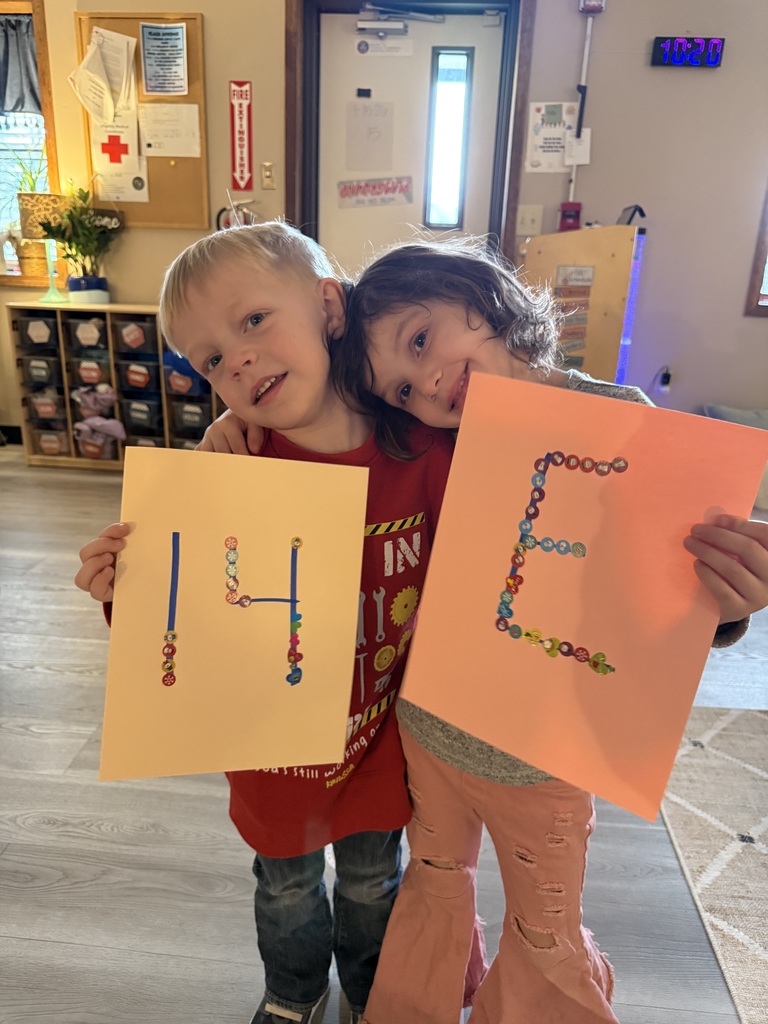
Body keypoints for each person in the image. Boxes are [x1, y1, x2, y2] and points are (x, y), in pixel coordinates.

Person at [201, 236, 768, 1023]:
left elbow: (657, 602)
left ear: (484, 292)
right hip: (427, 739)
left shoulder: (623, 425)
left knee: (544, 927)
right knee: (431, 889)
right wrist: (235, 421)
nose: (426, 380)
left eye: (426, 339)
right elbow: (327, 431)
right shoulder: (428, 439)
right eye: (402, 387)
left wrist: (729, 602)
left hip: (546, 754)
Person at [74, 222, 455, 1024]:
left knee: (371, 884)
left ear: (330, 305)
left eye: (252, 321)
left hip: (382, 743)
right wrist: (125, 593)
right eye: (210, 359)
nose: (236, 359)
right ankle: (293, 995)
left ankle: (370, 998)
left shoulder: (429, 452)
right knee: (283, 887)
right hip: (269, 755)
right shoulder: (225, 474)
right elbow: (184, 629)